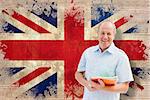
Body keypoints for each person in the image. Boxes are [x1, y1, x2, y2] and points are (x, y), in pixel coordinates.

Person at [75, 21, 134, 100]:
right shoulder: (88, 52)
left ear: (114, 35)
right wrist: (87, 84)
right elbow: (78, 74)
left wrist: (102, 87)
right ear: (98, 34)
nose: (105, 37)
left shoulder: (121, 56)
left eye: (108, 34)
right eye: (102, 33)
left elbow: (124, 87)